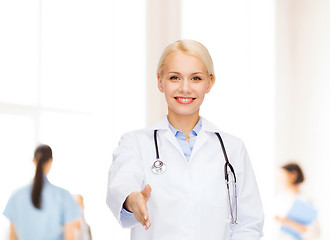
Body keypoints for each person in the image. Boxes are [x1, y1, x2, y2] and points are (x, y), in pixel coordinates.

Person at [106, 39, 264, 239]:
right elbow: (121, 184)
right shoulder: (135, 143)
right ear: (160, 82)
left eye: (196, 78)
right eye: (174, 77)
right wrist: (133, 199)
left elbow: (249, 224)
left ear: (209, 82)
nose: (185, 88)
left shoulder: (232, 149)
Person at [3, 144, 82, 240]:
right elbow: (69, 237)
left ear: (34, 161)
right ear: (51, 161)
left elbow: (12, 236)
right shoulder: (63, 196)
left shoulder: (16, 196)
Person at [275, 163, 320, 240]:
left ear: (293, 175)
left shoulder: (305, 200)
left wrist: (287, 222)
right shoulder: (279, 199)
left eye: (282, 176)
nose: (279, 180)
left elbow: (314, 232)